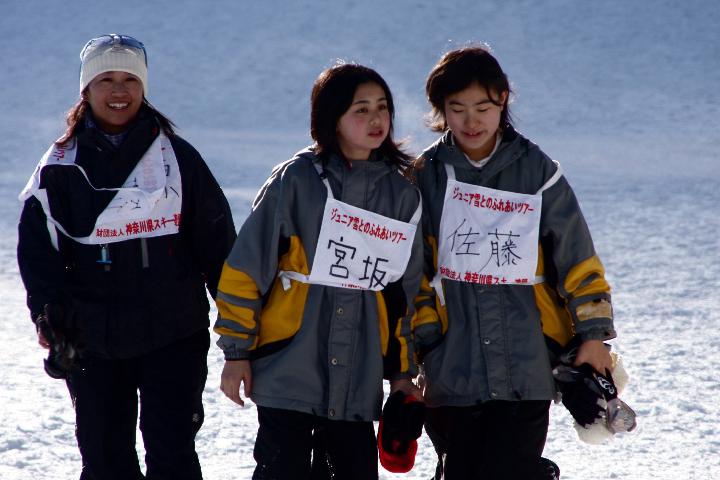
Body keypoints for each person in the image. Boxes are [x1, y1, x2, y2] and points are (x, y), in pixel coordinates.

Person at [17, 34, 236, 480]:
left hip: (174, 332)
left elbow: (217, 245)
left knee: (173, 458)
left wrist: (240, 328)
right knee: (105, 461)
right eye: (106, 79)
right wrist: (49, 314)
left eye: (130, 79)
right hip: (91, 337)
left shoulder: (178, 158)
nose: (119, 91)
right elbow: (38, 252)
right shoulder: (59, 166)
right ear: (86, 89)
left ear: (144, 87)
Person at [411, 45, 617, 479]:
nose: (471, 122)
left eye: (483, 108)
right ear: (441, 109)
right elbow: (414, 272)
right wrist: (429, 341)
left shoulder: (538, 173)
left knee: (510, 468)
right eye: (457, 109)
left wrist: (594, 335)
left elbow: (577, 259)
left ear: (503, 99)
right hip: (453, 366)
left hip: (526, 362)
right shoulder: (425, 176)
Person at [214, 62, 424, 480]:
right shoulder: (296, 181)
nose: (376, 119)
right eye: (361, 109)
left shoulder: (402, 195)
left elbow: (406, 294)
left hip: (358, 381)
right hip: (287, 370)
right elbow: (246, 270)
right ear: (331, 118)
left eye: (382, 107)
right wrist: (236, 353)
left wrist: (403, 374)